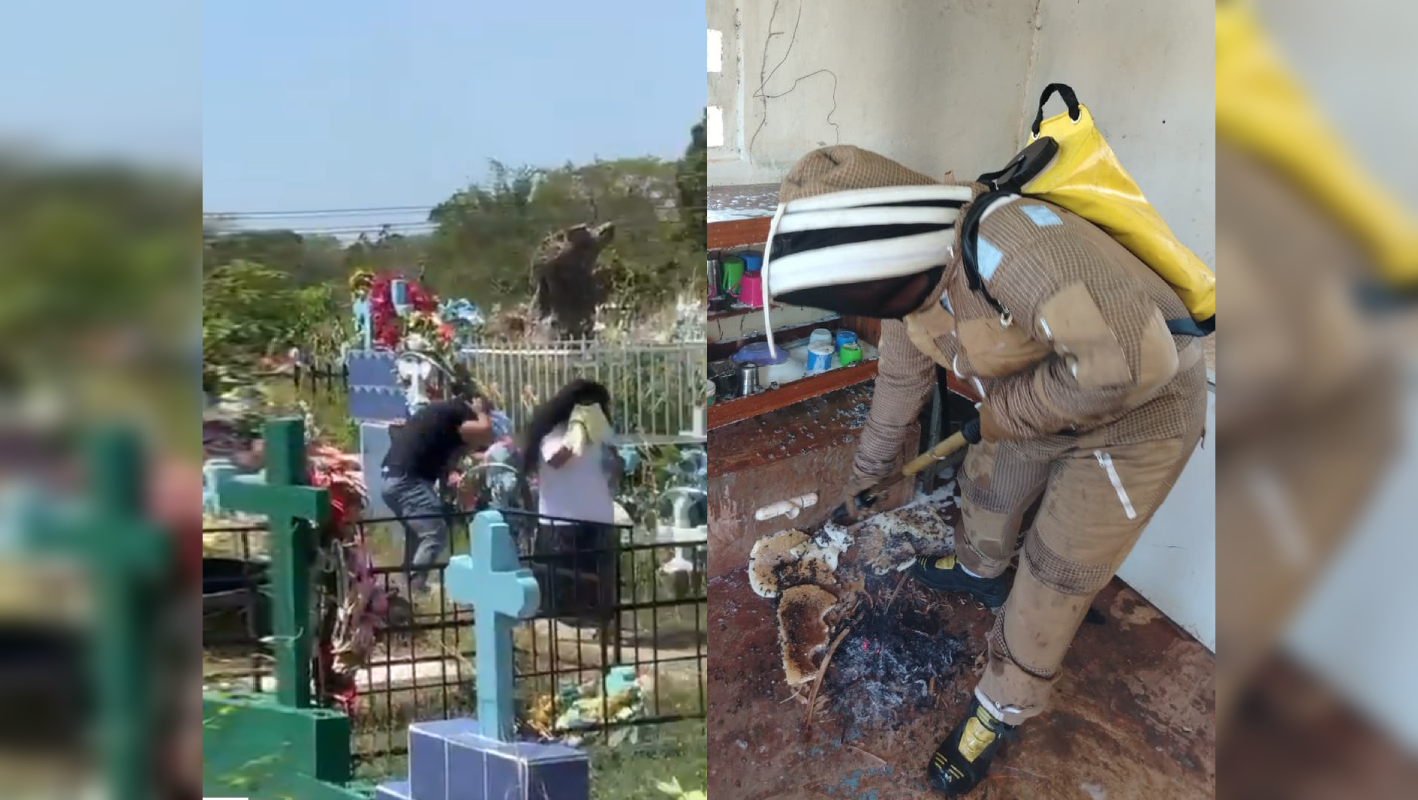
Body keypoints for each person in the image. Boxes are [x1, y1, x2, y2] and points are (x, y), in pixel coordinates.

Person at [760, 146, 1208, 796]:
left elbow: (1135, 362)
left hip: (1140, 411)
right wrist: (869, 475)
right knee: (990, 488)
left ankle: (1000, 709)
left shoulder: (1009, 246)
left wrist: (1007, 412)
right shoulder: (907, 287)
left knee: (1057, 570)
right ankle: (978, 572)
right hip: (1039, 395)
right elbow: (899, 379)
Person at [518, 378, 622, 631]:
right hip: (562, 519)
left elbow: (614, 469)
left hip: (598, 517)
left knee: (597, 583)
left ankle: (599, 626)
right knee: (566, 584)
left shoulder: (600, 432)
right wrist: (577, 434)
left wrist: (614, 457)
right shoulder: (554, 433)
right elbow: (555, 460)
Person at [380, 381, 494, 596]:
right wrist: (484, 412)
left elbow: (446, 453)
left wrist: (453, 472)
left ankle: (405, 585)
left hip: (390, 477)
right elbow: (485, 432)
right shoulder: (459, 412)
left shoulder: (440, 414)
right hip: (408, 480)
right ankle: (413, 588)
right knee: (435, 532)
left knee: (418, 533)